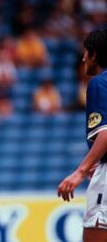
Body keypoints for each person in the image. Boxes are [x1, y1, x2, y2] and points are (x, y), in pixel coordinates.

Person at [58, 29, 107, 242]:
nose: (83, 57)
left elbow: (105, 134)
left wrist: (80, 171)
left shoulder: (99, 83)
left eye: (85, 52)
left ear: (94, 54)